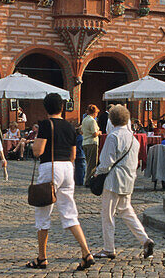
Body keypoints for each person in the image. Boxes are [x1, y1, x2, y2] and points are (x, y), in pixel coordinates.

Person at [26, 92, 94, 271]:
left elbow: (38, 151)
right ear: (62, 107)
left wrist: (32, 143)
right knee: (70, 213)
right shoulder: (70, 126)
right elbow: (73, 155)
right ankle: (86, 252)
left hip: (51, 167)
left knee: (43, 213)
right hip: (67, 169)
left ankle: (42, 258)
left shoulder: (46, 125)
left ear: (46, 108)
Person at [92, 105, 155, 260]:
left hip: (113, 180)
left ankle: (108, 248)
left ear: (111, 120)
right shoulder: (134, 139)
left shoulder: (113, 137)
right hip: (128, 179)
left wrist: (97, 173)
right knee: (126, 211)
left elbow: (106, 162)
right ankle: (144, 239)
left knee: (108, 215)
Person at [79, 105, 101, 188]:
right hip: (92, 142)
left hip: (85, 142)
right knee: (92, 164)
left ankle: (88, 180)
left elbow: (81, 131)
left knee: (88, 162)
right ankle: (89, 181)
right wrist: (99, 132)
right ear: (94, 113)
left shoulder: (84, 120)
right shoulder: (92, 121)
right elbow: (94, 133)